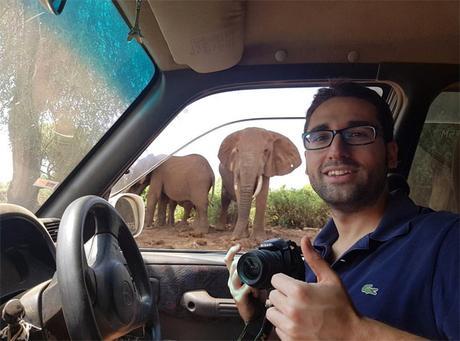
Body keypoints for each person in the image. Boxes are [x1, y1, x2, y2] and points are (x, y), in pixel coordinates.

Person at [225, 82, 459, 340]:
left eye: (358, 134)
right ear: (307, 160)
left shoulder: (447, 242)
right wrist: (259, 316)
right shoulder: (315, 254)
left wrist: (352, 332)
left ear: (391, 154)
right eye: (320, 137)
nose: (336, 151)